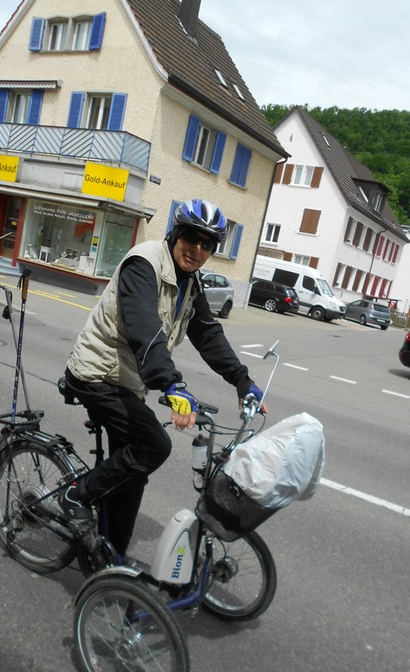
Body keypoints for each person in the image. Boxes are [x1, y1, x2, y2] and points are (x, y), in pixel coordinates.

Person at [61, 199, 263, 558]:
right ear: (175, 233)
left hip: (126, 381)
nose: (198, 250)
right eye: (191, 238)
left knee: (132, 475)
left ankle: (109, 557)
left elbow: (208, 335)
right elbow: (145, 329)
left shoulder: (190, 282)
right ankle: (76, 495)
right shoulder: (145, 263)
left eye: (208, 244)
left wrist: (241, 379)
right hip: (95, 372)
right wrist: (171, 385)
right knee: (154, 445)